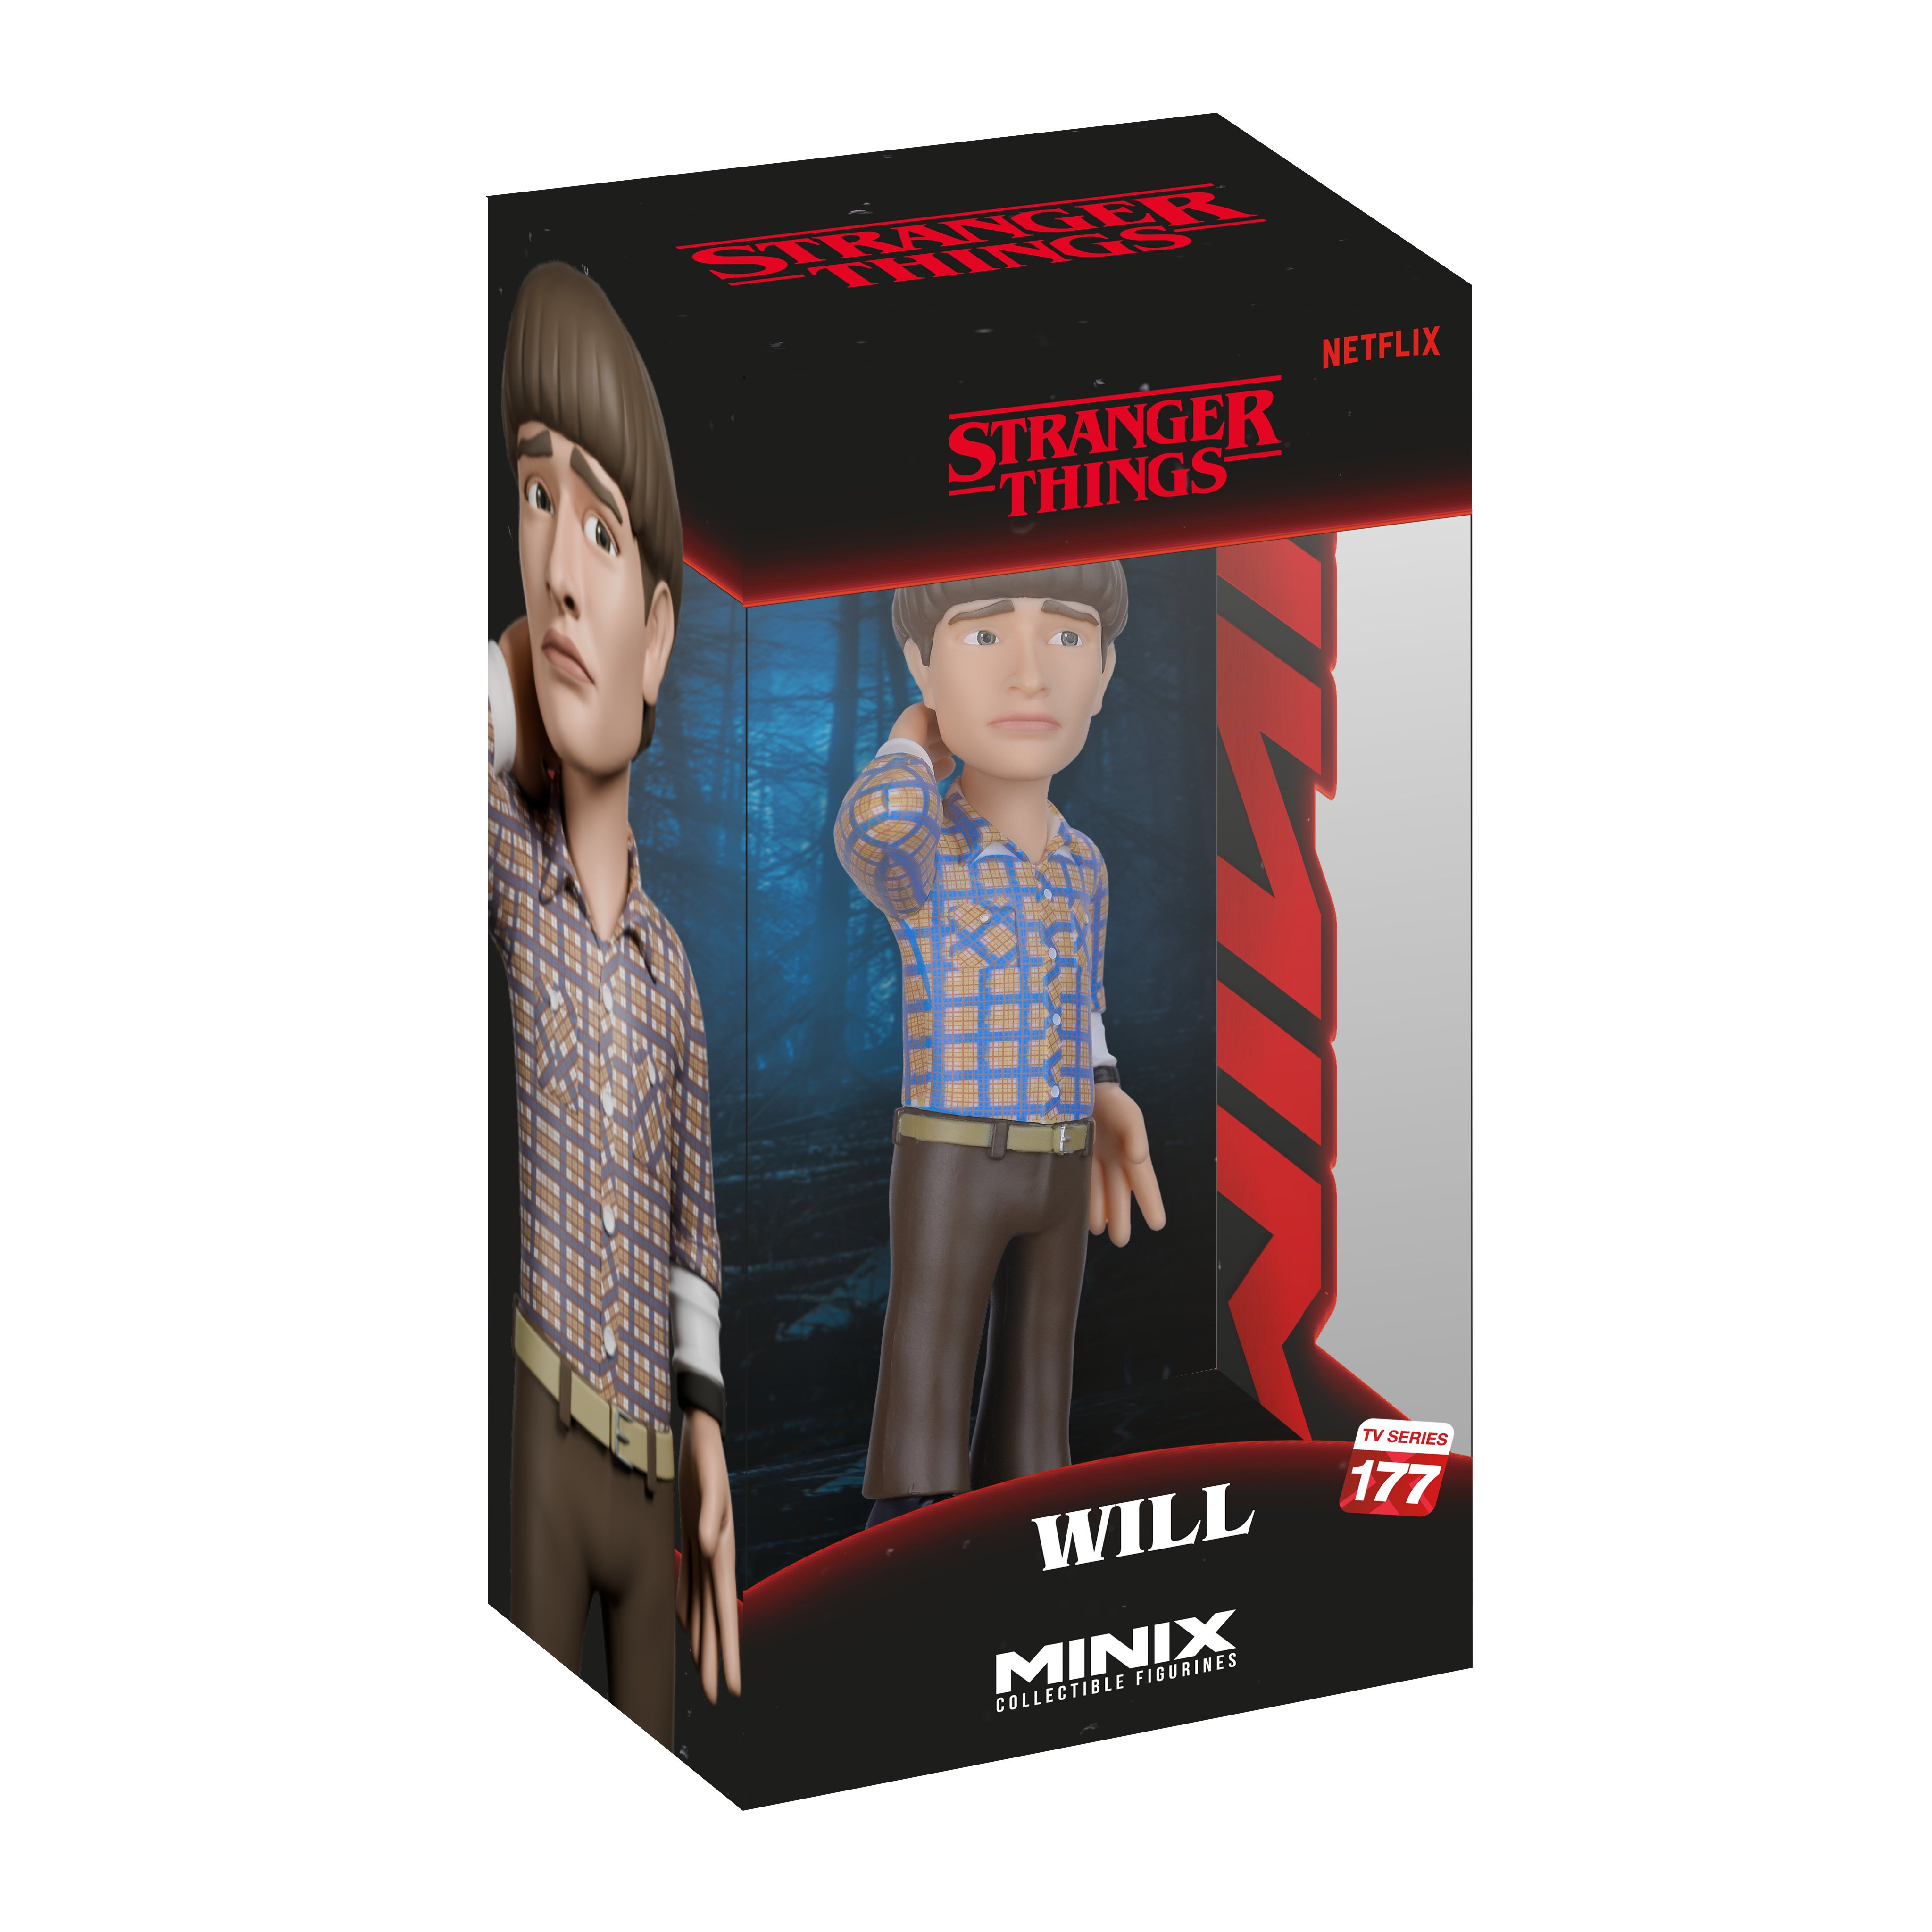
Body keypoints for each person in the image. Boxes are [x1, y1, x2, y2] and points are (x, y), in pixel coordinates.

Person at [486, 262, 739, 1738]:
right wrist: (501, 675)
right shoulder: (502, 871)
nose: (559, 573)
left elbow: (694, 1229)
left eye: (599, 527)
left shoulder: (676, 973)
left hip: (654, 1487)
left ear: (657, 633)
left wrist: (710, 1443)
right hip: (538, 1438)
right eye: (535, 498)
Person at [834, 564, 1166, 1530]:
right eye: (983, 636)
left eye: (1066, 637)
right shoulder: (926, 851)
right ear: (921, 664)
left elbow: (1084, 997)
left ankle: (1025, 1543)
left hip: (1062, 1159)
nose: (1030, 673)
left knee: (1035, 1409)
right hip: (954, 1159)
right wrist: (912, 735)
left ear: (1104, 673)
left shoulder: (1084, 863)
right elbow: (871, 830)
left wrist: (1104, 1087)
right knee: (928, 1382)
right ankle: (901, 1553)